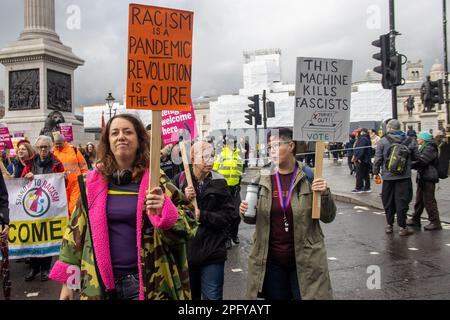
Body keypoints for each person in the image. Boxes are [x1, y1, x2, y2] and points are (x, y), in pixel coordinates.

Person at [49, 114, 197, 300]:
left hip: (148, 284)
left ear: (139, 140)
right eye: (115, 133)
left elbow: (190, 223)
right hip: (100, 285)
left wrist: (165, 211)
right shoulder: (91, 183)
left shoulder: (155, 181)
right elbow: (75, 234)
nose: (121, 137)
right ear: (108, 141)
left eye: (128, 132)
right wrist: (68, 283)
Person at [239, 128, 336, 300]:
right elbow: (251, 219)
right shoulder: (261, 178)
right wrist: (244, 212)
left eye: (276, 145)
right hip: (272, 262)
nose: (272, 150)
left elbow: (328, 217)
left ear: (291, 146)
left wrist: (325, 193)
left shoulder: (309, 177)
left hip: (306, 262)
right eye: (269, 147)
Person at [173, 141, 234, 300]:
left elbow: (229, 216)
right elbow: (169, 216)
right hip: (186, 253)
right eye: (205, 156)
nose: (210, 160)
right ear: (192, 158)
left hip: (213, 252)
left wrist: (203, 216)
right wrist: (182, 198)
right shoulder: (179, 181)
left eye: (212, 156)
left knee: (212, 298)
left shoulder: (219, 181)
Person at [21, 135, 65, 281]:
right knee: (34, 237)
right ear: (36, 148)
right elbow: (21, 182)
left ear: (50, 147)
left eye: (45, 147)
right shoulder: (30, 163)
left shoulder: (57, 163)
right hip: (33, 206)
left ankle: (46, 269)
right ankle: (34, 268)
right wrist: (26, 176)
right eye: (40, 147)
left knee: (47, 236)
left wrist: (63, 178)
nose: (43, 150)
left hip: (49, 205)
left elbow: (63, 184)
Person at [373, 119, 419, 236]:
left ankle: (389, 225)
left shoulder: (383, 141)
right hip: (404, 176)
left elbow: (378, 159)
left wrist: (375, 172)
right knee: (402, 201)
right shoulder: (410, 140)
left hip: (388, 177)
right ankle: (402, 227)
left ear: (389, 128)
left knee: (388, 200)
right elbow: (416, 157)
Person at [407, 131, 442, 230]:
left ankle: (435, 222)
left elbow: (422, 161)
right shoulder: (425, 147)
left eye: (419, 138)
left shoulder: (430, 148)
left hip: (428, 177)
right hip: (423, 177)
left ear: (424, 139)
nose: (417, 139)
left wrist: (410, 164)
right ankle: (415, 219)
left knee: (429, 201)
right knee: (419, 200)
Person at [213, 135, 244, 248]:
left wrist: (239, 184)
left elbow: (240, 171)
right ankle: (226, 238)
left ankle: (233, 234)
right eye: (230, 143)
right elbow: (214, 171)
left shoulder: (239, 155)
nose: (232, 145)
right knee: (225, 214)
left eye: (234, 143)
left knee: (237, 215)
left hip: (235, 189)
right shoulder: (220, 155)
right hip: (223, 190)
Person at [53, 133, 89, 217]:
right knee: (63, 206)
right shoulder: (53, 153)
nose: (58, 145)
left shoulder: (74, 150)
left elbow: (83, 165)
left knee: (74, 206)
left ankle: (75, 223)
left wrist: (84, 178)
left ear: (64, 142)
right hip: (61, 185)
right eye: (56, 144)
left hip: (76, 183)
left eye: (59, 143)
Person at [352, 129, 372, 193]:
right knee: (366, 174)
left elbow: (360, 150)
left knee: (359, 174)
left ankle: (359, 188)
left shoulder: (362, 139)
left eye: (357, 132)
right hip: (366, 159)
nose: (356, 134)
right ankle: (367, 187)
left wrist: (358, 158)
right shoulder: (366, 138)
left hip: (362, 160)